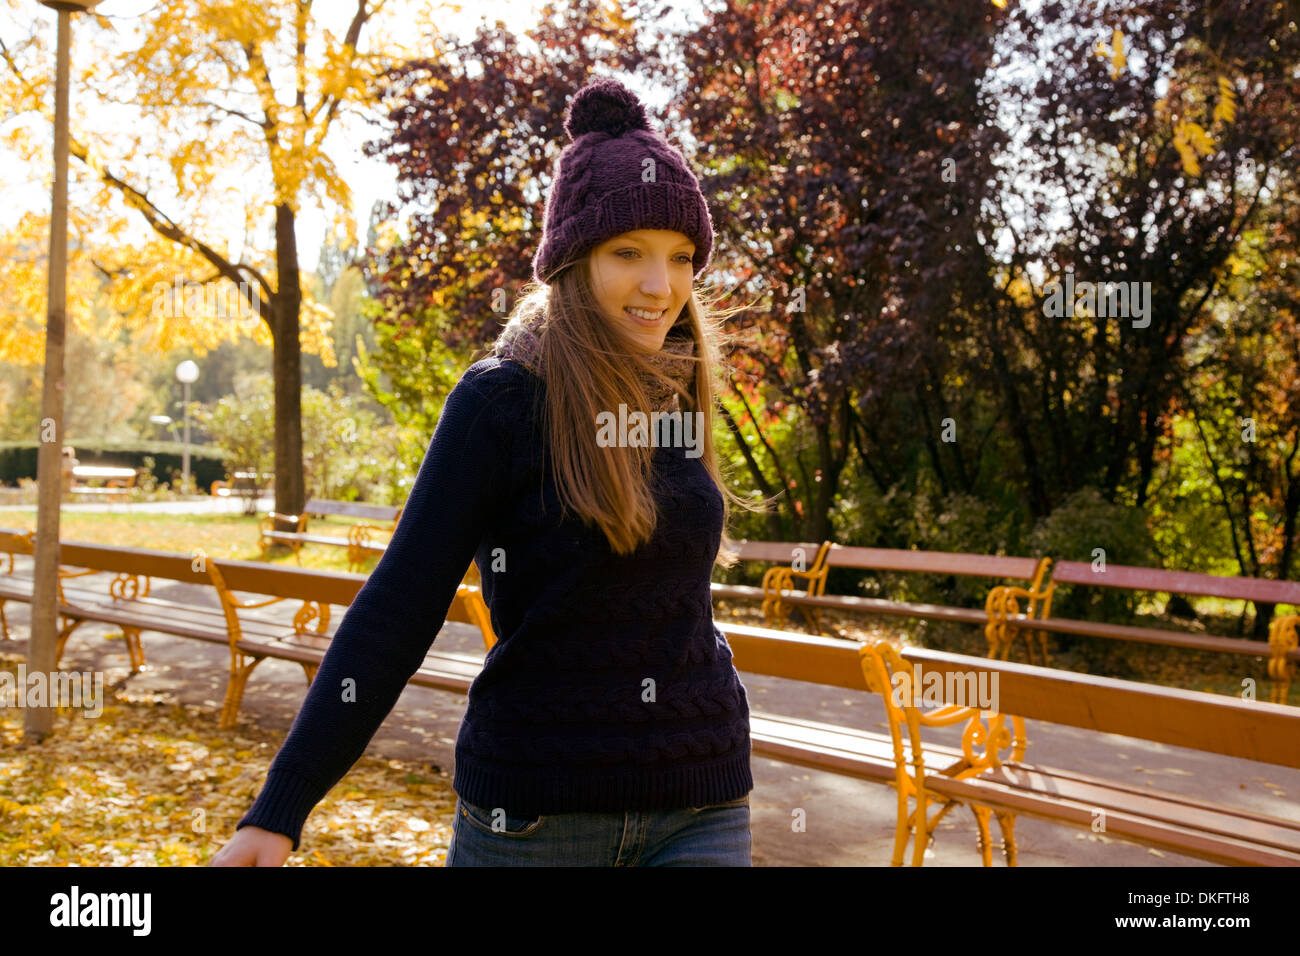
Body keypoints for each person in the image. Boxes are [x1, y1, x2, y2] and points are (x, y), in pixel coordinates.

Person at [209, 76, 767, 867]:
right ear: (574, 263)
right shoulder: (502, 403)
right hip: (535, 813)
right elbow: (399, 605)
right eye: (629, 253)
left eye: (681, 259)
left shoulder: (681, 389)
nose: (661, 286)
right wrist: (282, 806)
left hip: (701, 801)